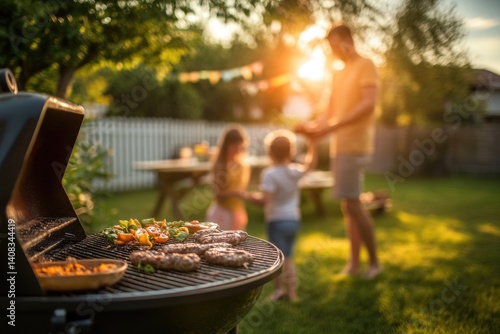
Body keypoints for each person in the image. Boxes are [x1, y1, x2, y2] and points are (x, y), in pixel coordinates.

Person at [296, 22, 382, 279]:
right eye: (330, 48)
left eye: (335, 46)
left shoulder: (366, 65)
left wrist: (332, 127)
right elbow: (330, 111)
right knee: (348, 205)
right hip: (340, 145)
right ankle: (354, 263)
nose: (333, 52)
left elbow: (368, 104)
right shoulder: (338, 74)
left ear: (347, 40)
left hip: (355, 145)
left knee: (353, 204)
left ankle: (374, 264)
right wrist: (314, 127)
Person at [247, 130, 317, 302]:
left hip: (276, 221)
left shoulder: (269, 174)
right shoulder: (294, 171)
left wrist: (248, 196)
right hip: (293, 220)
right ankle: (292, 293)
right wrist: (313, 142)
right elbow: (311, 165)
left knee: (279, 259)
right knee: (289, 257)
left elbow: (265, 200)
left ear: (270, 153)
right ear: (291, 152)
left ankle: (281, 291)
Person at [206, 125, 251, 231]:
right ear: (227, 145)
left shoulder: (241, 163)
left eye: (240, 145)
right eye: (234, 146)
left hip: (237, 210)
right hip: (223, 213)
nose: (237, 149)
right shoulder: (221, 165)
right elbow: (218, 194)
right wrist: (236, 193)